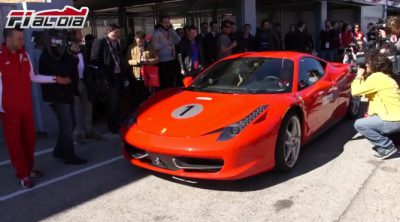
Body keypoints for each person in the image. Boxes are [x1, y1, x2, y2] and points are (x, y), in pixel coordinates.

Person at [0, 27, 70, 188]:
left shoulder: (25, 56)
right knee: (15, 144)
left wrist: (56, 79)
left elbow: (33, 77)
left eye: (22, 39)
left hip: (26, 108)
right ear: (8, 40)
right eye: (18, 39)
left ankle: (28, 169)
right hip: (9, 110)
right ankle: (22, 174)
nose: (22, 42)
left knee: (29, 141)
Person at [40, 29, 88, 165]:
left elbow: (70, 71)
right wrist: (72, 56)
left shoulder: (59, 54)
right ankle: (69, 155)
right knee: (67, 125)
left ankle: (59, 150)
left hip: (64, 94)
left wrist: (72, 54)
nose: (62, 43)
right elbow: (63, 71)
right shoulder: (48, 55)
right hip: (57, 96)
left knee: (69, 124)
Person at [352, 51, 400, 159]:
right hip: (397, 118)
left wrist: (359, 76)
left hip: (394, 121)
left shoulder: (377, 77)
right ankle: (391, 139)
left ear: (374, 64)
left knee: (359, 124)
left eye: (368, 63)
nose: (366, 65)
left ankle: (386, 147)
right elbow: (369, 95)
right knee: (370, 118)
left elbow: (355, 91)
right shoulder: (386, 77)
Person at [68, 29, 102, 145]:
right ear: (72, 36)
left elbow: (86, 62)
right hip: (75, 82)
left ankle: (88, 130)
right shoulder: (66, 49)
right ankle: (77, 134)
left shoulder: (82, 48)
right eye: (78, 34)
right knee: (76, 109)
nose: (81, 36)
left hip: (86, 80)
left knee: (88, 106)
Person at [91, 23, 123, 134]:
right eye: (116, 32)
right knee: (111, 102)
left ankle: (116, 122)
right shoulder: (100, 41)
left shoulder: (116, 43)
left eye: (119, 32)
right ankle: (112, 125)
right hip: (107, 76)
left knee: (116, 101)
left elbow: (118, 58)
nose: (118, 34)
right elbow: (94, 58)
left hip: (117, 75)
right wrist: (104, 73)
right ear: (109, 31)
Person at [152, 15, 181, 89]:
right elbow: (155, 47)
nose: (167, 24)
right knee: (164, 82)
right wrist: (167, 43)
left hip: (172, 60)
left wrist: (173, 31)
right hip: (162, 62)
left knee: (171, 81)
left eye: (168, 22)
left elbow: (178, 40)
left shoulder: (170, 32)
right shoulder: (156, 33)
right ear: (161, 23)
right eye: (165, 22)